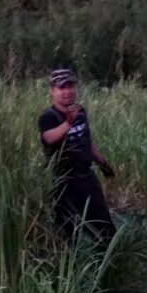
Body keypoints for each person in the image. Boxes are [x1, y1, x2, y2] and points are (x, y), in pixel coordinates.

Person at [38, 68, 117, 246]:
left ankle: (106, 265)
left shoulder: (81, 111)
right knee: (66, 233)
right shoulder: (48, 116)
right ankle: (71, 268)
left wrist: (103, 163)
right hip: (62, 181)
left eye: (70, 86)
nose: (67, 91)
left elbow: (86, 141)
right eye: (62, 87)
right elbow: (49, 138)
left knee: (104, 228)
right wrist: (68, 122)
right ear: (53, 90)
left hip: (85, 177)